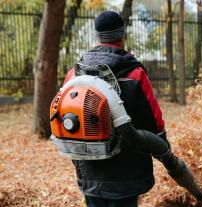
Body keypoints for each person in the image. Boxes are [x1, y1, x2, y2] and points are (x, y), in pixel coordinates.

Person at [63, 11, 169, 207]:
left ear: (98, 36)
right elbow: (154, 119)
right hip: (127, 172)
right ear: (123, 36)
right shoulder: (134, 73)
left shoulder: (74, 74)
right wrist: (163, 146)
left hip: (90, 171)